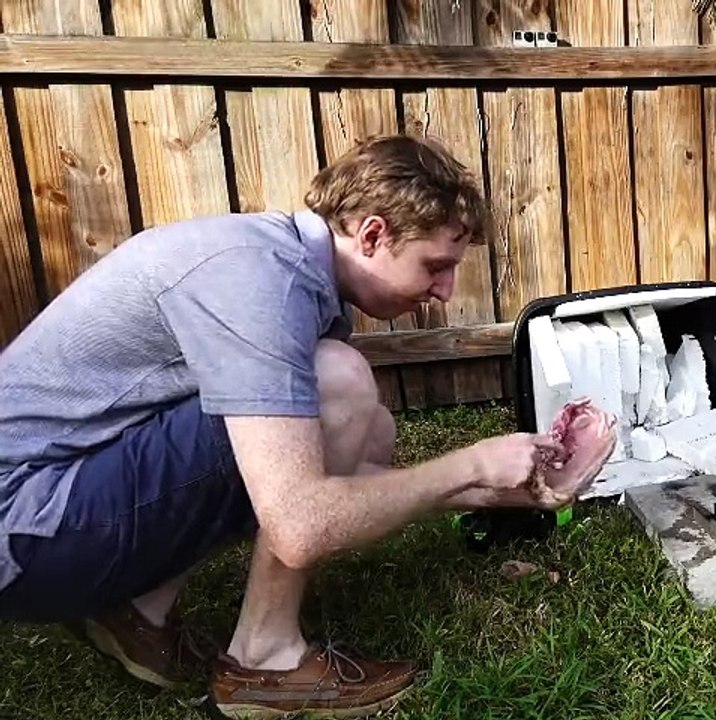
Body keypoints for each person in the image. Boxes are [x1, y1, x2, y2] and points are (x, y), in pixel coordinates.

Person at [0, 134, 575, 718]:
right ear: (372, 234)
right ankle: (264, 660)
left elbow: (351, 477)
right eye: (437, 265)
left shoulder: (281, 264)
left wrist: (495, 492)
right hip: (22, 525)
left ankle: (136, 612)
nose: (446, 292)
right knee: (339, 384)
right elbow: (301, 522)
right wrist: (471, 461)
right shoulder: (261, 283)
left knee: (367, 430)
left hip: (47, 506)